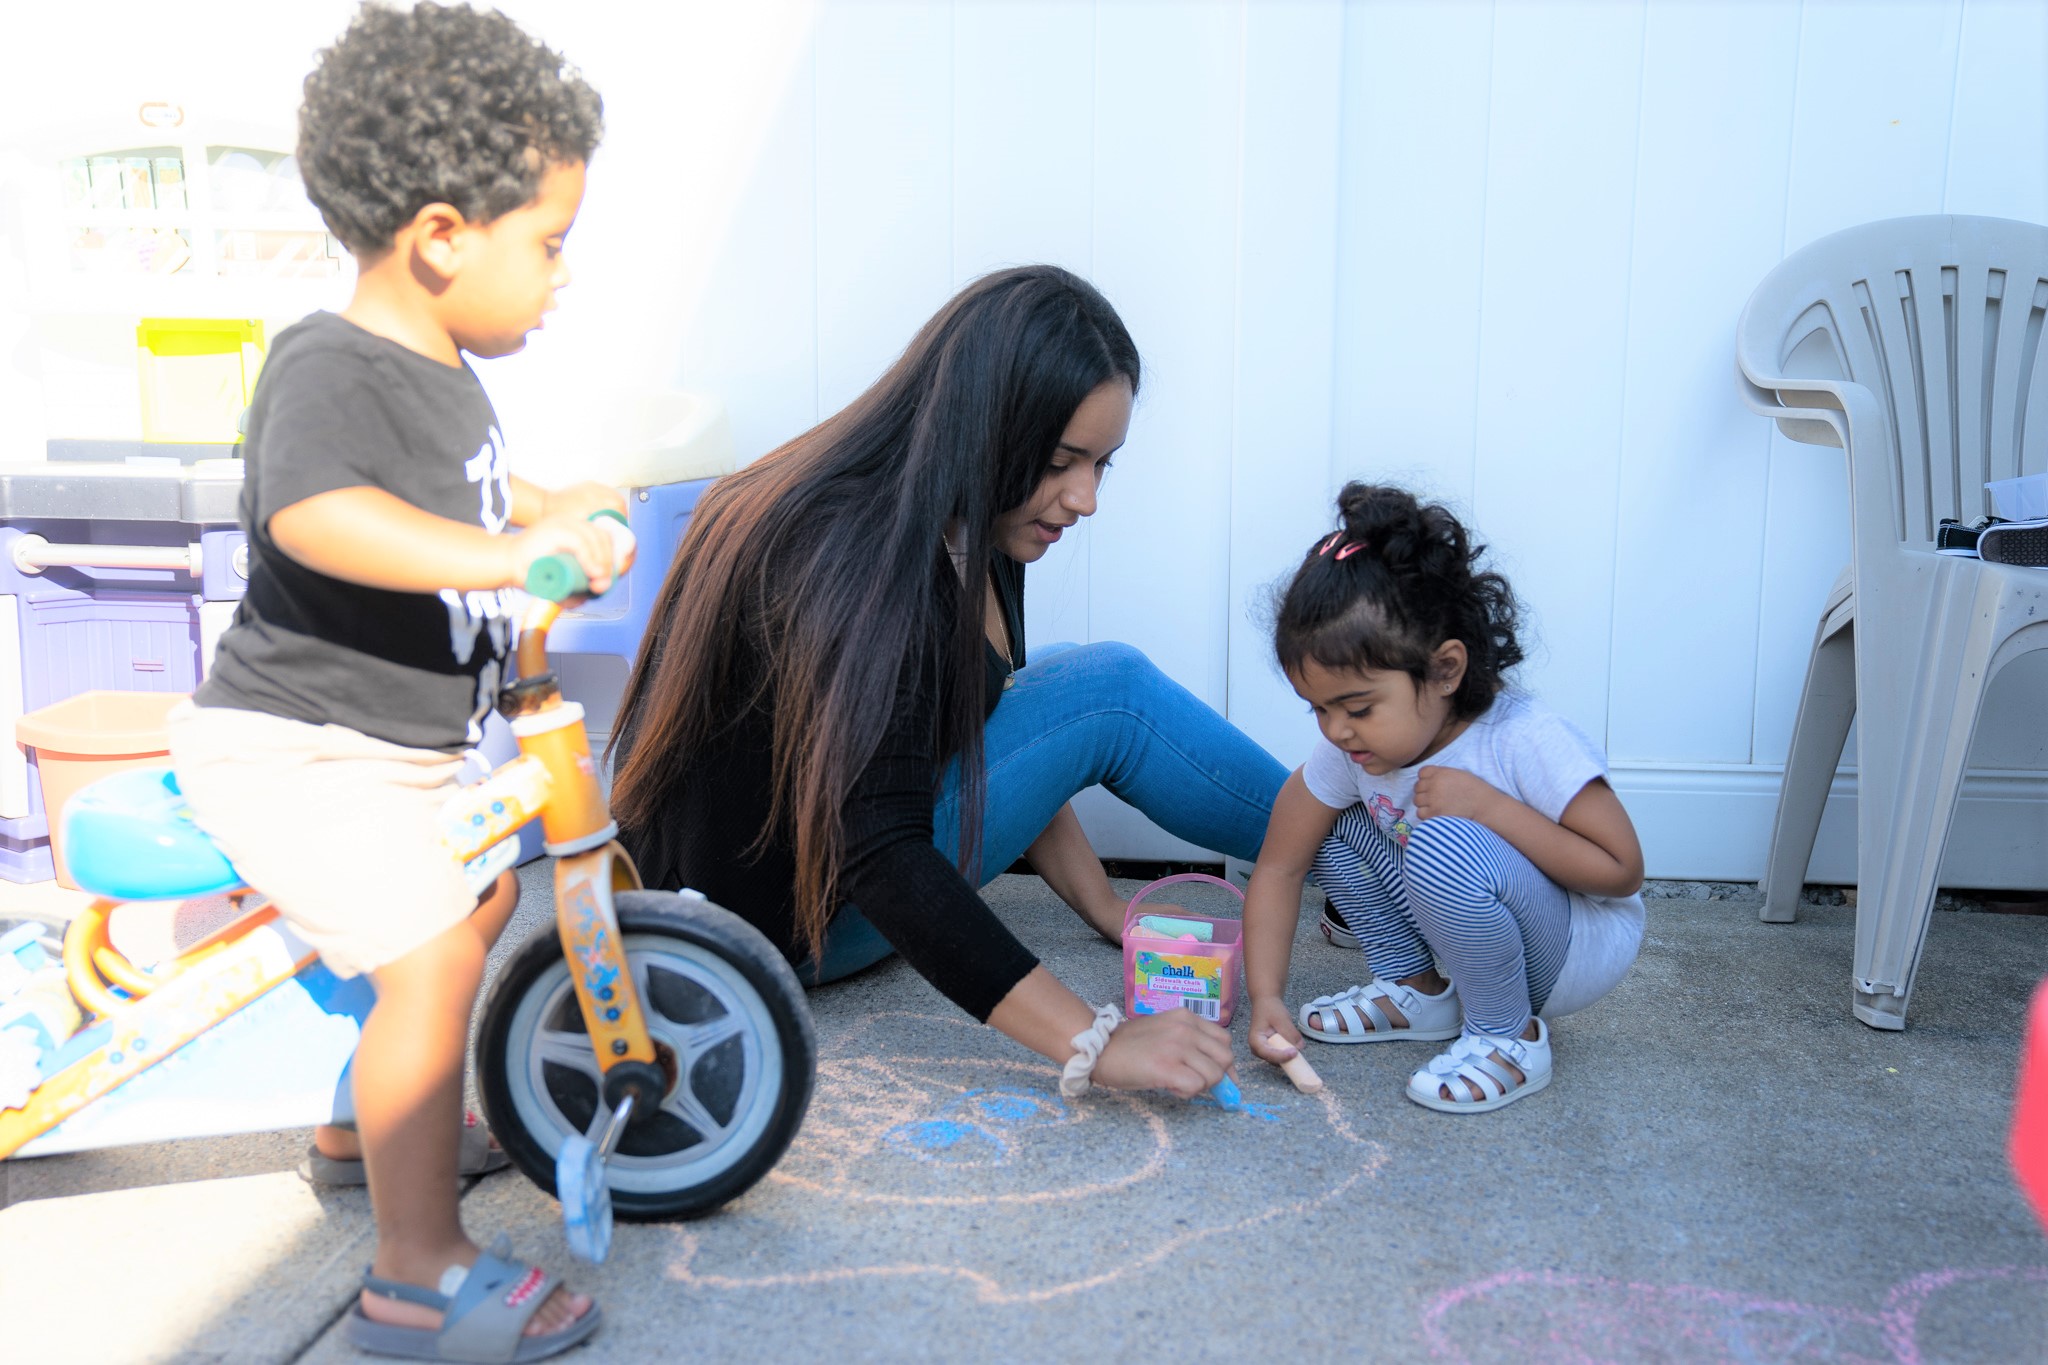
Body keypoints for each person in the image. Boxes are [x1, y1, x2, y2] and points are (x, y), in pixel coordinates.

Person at [167, 5, 614, 1357]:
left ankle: (372, 1123)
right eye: (547, 245)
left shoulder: (446, 378)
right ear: (438, 236)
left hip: (394, 751)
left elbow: (476, 494)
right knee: (428, 952)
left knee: (475, 900)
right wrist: (504, 547)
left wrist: (563, 505)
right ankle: (416, 1277)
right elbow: (314, 514)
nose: (560, 278)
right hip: (295, 746)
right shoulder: (328, 361)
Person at [610, 265, 1288, 1101]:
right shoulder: (855, 561)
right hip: (766, 937)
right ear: (985, 423)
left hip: (781, 881)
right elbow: (880, 850)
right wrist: (1096, 1040)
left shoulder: (967, 515)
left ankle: (1361, 839)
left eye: (1103, 465)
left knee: (1064, 679)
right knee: (1105, 688)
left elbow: (991, 724)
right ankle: (1367, 842)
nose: (1086, 498)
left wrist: (1108, 912)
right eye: (1063, 460)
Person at [1241, 483, 1645, 1113]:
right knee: (1332, 826)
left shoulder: (1523, 740)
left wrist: (1489, 808)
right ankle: (1418, 989)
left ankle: (1509, 1035)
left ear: (1445, 670)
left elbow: (1621, 873)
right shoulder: (1354, 750)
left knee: (1444, 839)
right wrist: (1266, 994)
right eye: (1318, 708)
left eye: (1358, 707)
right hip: (1469, 922)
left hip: (1571, 947)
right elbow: (1280, 861)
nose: (1336, 730)